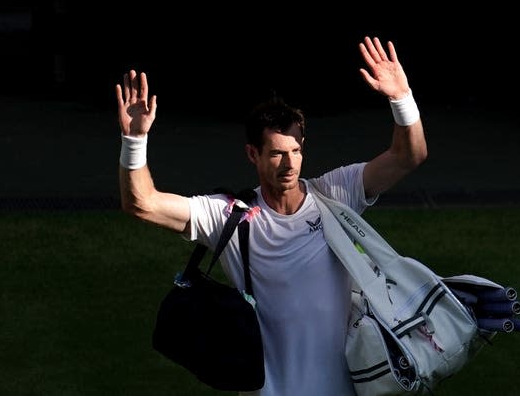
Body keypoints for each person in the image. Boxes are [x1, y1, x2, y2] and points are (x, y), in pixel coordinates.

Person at [115, 36, 428, 396]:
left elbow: (409, 156)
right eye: (277, 153)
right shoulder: (229, 216)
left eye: (295, 150)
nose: (290, 163)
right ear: (253, 154)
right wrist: (134, 141)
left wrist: (401, 98)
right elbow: (141, 203)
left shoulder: (335, 193)